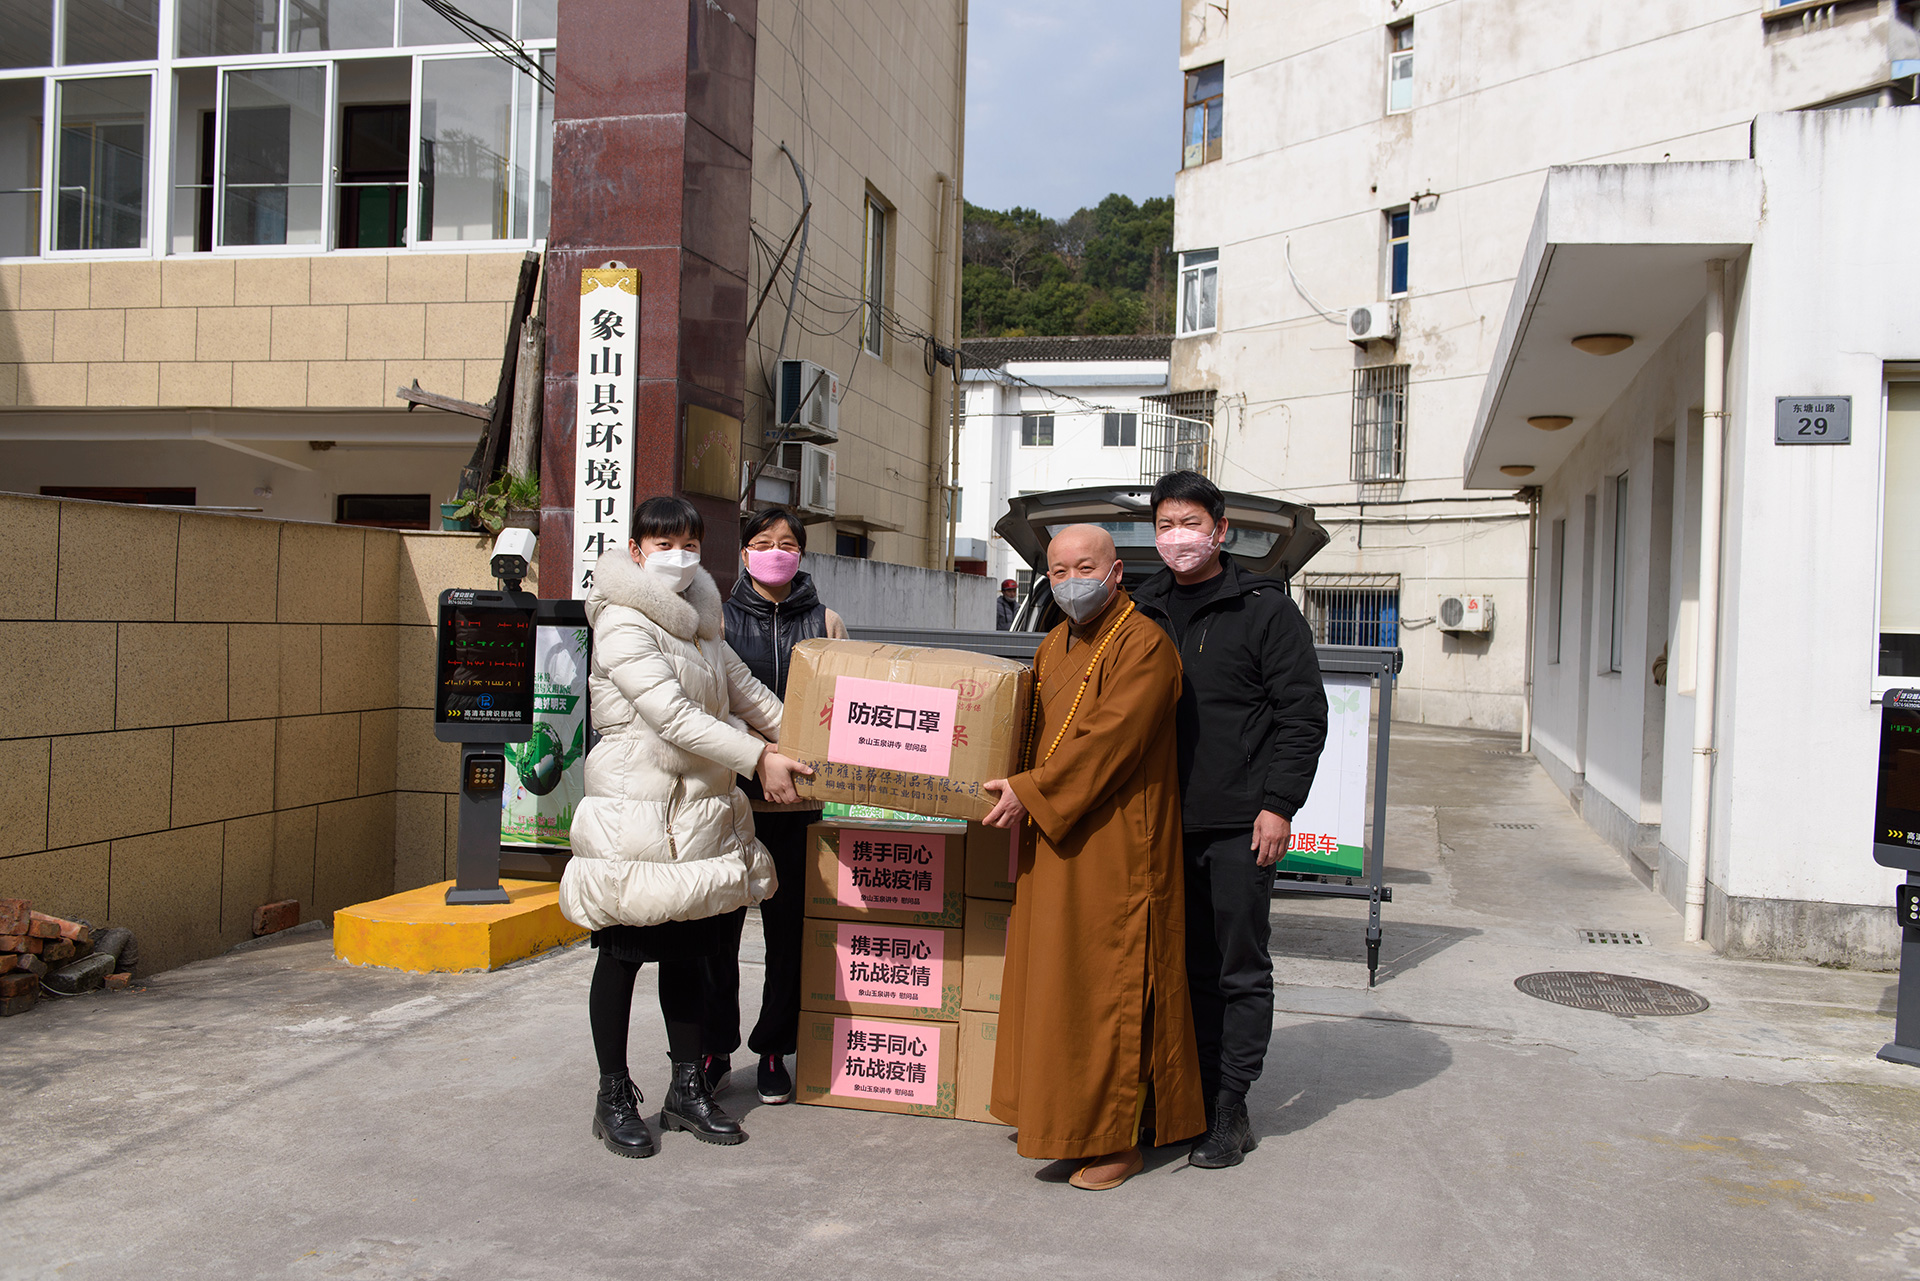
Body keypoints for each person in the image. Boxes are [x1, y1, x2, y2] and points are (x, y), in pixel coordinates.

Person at [559, 494, 813, 1159]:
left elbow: (745, 690)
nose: (678, 556)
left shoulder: (700, 619)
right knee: (621, 954)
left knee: (689, 949)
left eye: (690, 544)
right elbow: (670, 716)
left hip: (694, 814)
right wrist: (760, 757)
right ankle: (613, 1093)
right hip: (635, 811)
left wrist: (814, 743)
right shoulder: (622, 622)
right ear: (637, 551)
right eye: (664, 543)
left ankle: (684, 1086)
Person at [980, 523, 1204, 1191]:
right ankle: (1059, 1118)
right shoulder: (1055, 641)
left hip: (1116, 847)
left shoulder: (1146, 647)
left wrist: (1032, 791)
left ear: (1115, 574)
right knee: (1055, 985)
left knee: (1107, 988)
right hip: (1055, 833)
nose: (1071, 580)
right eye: (1057, 570)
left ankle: (1115, 1139)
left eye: (1085, 566)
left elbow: (1108, 740)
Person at [1131, 470, 1328, 1170]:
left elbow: (1302, 716)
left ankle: (1230, 1106)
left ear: (1220, 531)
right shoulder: (1139, 607)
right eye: (1164, 525)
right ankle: (1178, 1093)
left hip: (1240, 822)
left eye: (1189, 523)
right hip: (1154, 823)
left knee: (1237, 966)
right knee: (1173, 966)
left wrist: (1278, 805)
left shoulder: (1265, 612)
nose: (1176, 537)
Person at [704, 507, 848, 1106]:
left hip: (800, 806)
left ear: (801, 555)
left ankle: (772, 1050)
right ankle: (713, 1046)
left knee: (789, 935)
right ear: (743, 553)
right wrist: (755, 757)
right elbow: (707, 705)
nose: (775, 552)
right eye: (762, 543)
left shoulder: (827, 621)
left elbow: (842, 707)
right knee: (716, 933)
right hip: (728, 799)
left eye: (786, 543)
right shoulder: (713, 620)